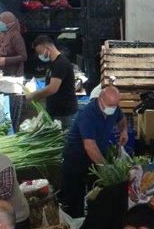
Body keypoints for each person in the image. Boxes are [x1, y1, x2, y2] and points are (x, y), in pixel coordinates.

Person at [61, 86, 127, 218]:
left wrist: (123, 130)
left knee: (97, 194)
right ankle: (75, 221)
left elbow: (121, 118)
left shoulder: (114, 109)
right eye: (110, 105)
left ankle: (94, 219)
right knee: (75, 198)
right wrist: (104, 167)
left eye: (115, 105)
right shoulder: (88, 114)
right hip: (76, 158)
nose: (113, 108)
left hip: (96, 155)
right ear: (100, 100)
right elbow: (90, 146)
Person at [25, 35, 78, 129]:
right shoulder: (52, 63)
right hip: (55, 111)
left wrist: (33, 95)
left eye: (39, 52)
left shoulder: (60, 63)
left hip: (64, 113)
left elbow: (52, 88)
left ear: (47, 48)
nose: (39, 55)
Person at [0, 12, 27, 77]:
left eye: (2, 22)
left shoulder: (16, 37)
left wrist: (6, 61)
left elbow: (23, 57)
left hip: (14, 74)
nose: (0, 23)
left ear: (9, 23)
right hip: (0, 72)